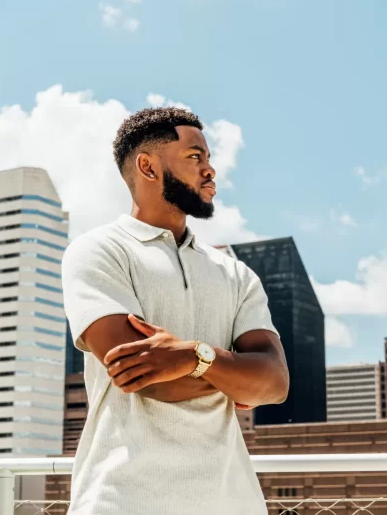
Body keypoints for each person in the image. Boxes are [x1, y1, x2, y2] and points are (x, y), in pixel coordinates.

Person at [62, 107, 290, 514]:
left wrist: (192, 356)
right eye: (195, 157)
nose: (210, 171)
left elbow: (274, 383)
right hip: (124, 500)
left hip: (232, 503)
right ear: (148, 167)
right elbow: (146, 379)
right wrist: (236, 375)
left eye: (208, 158)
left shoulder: (235, 274)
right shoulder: (98, 252)